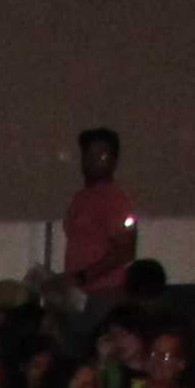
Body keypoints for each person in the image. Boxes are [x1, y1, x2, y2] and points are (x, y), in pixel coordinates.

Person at [61, 127, 137, 306]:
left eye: (101, 156)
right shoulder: (82, 198)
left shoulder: (115, 200)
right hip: (80, 293)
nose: (93, 162)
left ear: (113, 161)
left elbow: (125, 250)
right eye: (88, 155)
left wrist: (82, 277)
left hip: (105, 294)